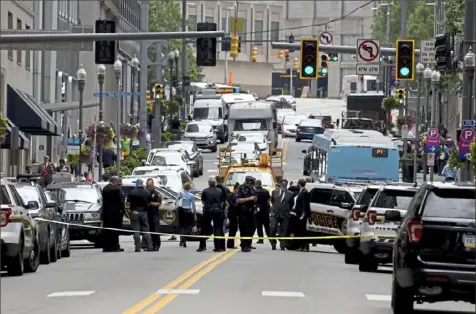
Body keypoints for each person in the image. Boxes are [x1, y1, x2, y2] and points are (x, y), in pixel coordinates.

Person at [197, 176, 226, 252]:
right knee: (218, 229)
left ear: (209, 183)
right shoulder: (219, 191)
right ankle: (219, 247)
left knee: (204, 228)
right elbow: (222, 201)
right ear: (215, 183)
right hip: (218, 210)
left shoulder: (205, 191)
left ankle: (202, 246)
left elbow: (203, 201)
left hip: (208, 210)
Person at [128, 179, 153, 252]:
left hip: (135, 212)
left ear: (136, 184)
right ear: (142, 184)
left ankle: (137, 247)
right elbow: (149, 201)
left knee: (136, 230)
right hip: (144, 212)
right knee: (146, 229)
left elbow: (128, 202)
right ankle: (150, 246)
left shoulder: (132, 192)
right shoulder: (147, 192)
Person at [101, 176, 124, 252]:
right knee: (113, 231)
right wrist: (119, 188)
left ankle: (110, 246)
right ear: (115, 182)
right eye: (117, 182)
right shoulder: (111, 189)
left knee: (109, 231)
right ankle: (113, 247)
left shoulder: (107, 188)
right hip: (113, 214)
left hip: (108, 214)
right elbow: (120, 199)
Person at [270, 179, 294, 251]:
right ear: (280, 184)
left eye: (285, 185)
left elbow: (291, 203)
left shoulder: (290, 194)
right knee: (273, 228)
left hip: (285, 214)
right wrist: (275, 209)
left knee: (284, 230)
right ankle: (273, 243)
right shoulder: (274, 192)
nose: (284, 186)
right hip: (275, 213)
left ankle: (282, 245)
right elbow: (272, 201)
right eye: (283, 184)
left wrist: (286, 209)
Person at [236, 176, 258, 252]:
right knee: (244, 229)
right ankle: (244, 245)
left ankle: (248, 243)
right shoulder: (241, 188)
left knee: (253, 227)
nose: (253, 184)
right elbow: (238, 200)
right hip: (243, 212)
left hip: (251, 211)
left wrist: (255, 199)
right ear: (248, 182)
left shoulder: (252, 189)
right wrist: (249, 199)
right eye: (252, 182)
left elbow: (254, 197)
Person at [293, 179, 311, 252]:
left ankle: (305, 246)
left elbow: (304, 204)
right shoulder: (301, 191)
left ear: (299, 184)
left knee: (303, 231)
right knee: (300, 230)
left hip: (301, 214)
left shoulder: (304, 192)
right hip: (299, 213)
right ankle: (301, 245)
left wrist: (303, 214)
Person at [176, 182, 196, 248]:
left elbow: (176, 201)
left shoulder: (181, 194)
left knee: (181, 226)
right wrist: (195, 214)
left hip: (181, 211)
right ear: (189, 187)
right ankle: (184, 240)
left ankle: (181, 240)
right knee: (187, 226)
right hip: (188, 211)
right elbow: (193, 206)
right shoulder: (191, 195)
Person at [146, 178, 162, 251]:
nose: (148, 188)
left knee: (155, 230)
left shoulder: (157, 194)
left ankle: (156, 245)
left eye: (150, 186)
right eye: (147, 186)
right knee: (149, 230)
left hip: (154, 213)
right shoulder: (146, 193)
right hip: (147, 214)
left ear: (153, 185)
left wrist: (151, 203)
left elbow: (159, 203)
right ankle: (150, 245)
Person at [254, 180, 271, 245]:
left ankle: (261, 239)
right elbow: (268, 201)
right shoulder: (266, 191)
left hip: (258, 211)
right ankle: (270, 239)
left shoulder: (255, 192)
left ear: (256, 184)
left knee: (259, 225)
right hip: (265, 211)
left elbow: (254, 201)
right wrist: (268, 208)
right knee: (267, 226)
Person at [226, 183, 241, 249]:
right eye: (238, 189)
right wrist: (238, 202)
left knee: (234, 229)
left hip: (235, 214)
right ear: (235, 189)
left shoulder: (235, 195)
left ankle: (230, 244)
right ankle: (230, 244)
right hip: (232, 214)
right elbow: (232, 204)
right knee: (232, 229)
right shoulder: (231, 195)